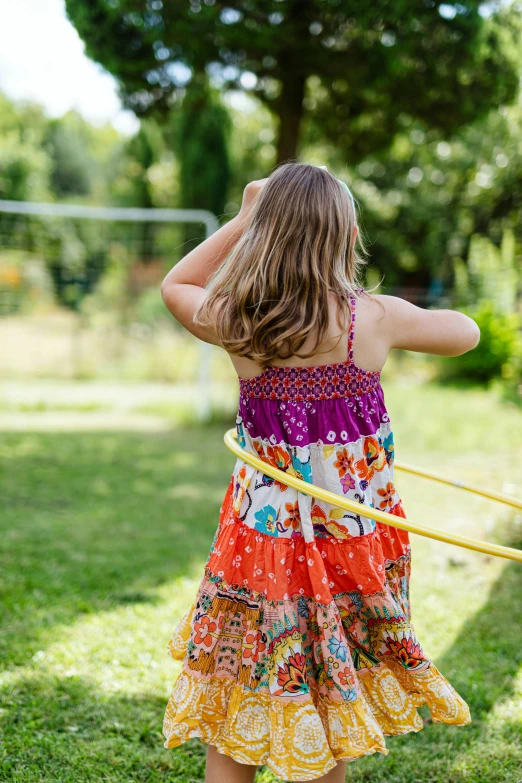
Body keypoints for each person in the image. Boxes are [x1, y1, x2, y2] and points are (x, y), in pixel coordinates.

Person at [160, 163, 478, 783]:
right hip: (348, 544)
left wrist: (246, 218)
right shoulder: (374, 319)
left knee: (243, 683)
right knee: (329, 690)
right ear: (348, 235)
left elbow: (177, 283)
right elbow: (464, 333)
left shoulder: (240, 321)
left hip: (261, 544)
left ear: (264, 235)